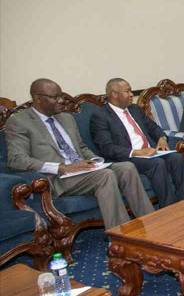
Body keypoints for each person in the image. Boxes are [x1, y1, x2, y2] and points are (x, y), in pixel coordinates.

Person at [5, 78, 154, 230]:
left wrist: (95, 161)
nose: (61, 100)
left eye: (61, 95)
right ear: (37, 98)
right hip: (58, 177)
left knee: (127, 168)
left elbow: (81, 148)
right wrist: (62, 168)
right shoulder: (19, 122)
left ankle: (151, 223)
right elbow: (16, 160)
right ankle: (120, 237)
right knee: (105, 176)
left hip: (83, 169)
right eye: (55, 97)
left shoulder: (66, 118)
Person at [90, 78, 184, 208]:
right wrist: (138, 152)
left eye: (131, 91)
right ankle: (168, 208)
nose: (131, 94)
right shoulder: (100, 116)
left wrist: (161, 138)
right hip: (129, 157)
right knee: (158, 163)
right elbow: (106, 148)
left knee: (176, 157)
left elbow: (154, 127)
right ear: (114, 94)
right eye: (127, 91)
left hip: (151, 152)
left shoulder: (134, 109)